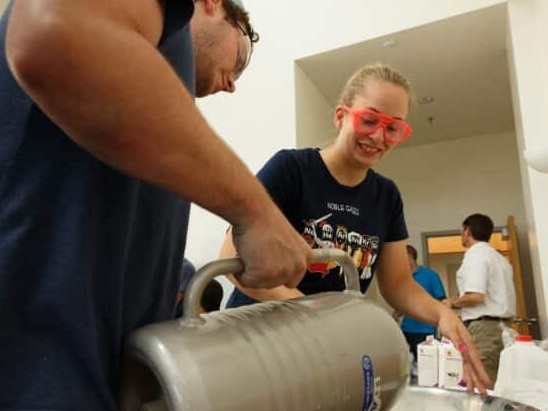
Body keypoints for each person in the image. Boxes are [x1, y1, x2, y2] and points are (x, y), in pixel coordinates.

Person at [0, 0, 313, 411]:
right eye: (241, 57)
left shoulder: (147, 116)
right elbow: (56, 31)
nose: (233, 85)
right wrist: (257, 211)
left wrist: (138, 407)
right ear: (210, 0)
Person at [219, 63, 491, 393]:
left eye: (393, 128)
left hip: (324, 351)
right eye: (369, 119)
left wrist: (442, 314)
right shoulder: (291, 170)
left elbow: (398, 284)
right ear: (340, 116)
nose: (378, 136)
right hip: (254, 342)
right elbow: (233, 257)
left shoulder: (386, 196)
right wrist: (308, 313)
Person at [442, 214, 516, 383]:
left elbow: (475, 296)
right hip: (502, 328)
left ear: (467, 231)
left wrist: (450, 302)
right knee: (499, 384)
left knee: (483, 385)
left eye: (462, 231)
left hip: (486, 330)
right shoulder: (498, 258)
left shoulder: (476, 255)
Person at [400, 245, 446, 370]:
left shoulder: (431, 275)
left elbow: (441, 301)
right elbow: (401, 303)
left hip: (425, 330)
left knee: (426, 368)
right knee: (407, 368)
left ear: (409, 257)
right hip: (406, 330)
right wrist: (392, 317)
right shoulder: (402, 279)